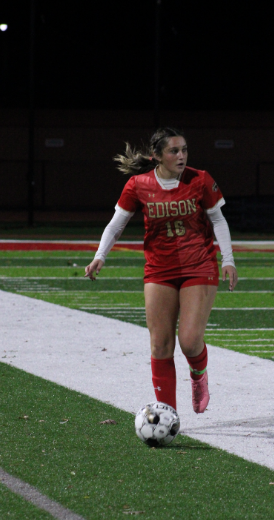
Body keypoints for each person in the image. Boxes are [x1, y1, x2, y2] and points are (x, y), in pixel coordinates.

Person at [85, 127, 238, 414]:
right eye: (174, 151)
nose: (181, 156)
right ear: (157, 156)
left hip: (199, 264)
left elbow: (218, 220)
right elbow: (116, 224)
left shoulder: (200, 179)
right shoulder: (138, 184)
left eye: (184, 150)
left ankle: (198, 376)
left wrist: (227, 259)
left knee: (190, 342)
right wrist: (99, 256)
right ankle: (167, 415)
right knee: (160, 346)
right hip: (159, 269)